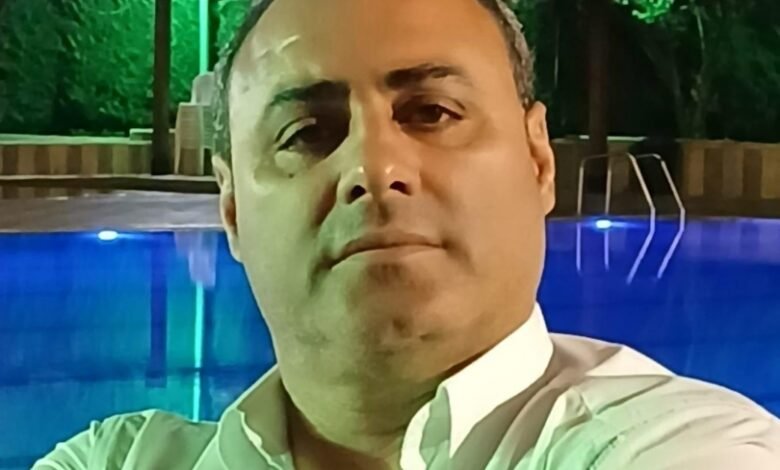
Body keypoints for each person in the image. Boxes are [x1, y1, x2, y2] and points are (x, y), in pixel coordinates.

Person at [34, 0, 780, 468]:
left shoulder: (681, 445)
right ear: (231, 210)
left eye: (431, 113)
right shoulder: (115, 460)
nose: (373, 167)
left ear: (537, 161)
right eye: (307, 132)